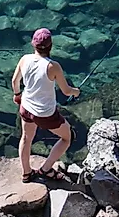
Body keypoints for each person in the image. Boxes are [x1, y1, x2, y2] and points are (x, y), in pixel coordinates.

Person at [11, 28, 80, 182]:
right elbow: (66, 91)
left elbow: (15, 81)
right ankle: (46, 169)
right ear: (51, 46)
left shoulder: (24, 59)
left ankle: (26, 173)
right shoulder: (53, 66)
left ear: (33, 44)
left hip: (26, 108)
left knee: (26, 138)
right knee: (67, 137)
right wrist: (76, 92)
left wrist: (17, 95)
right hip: (45, 114)